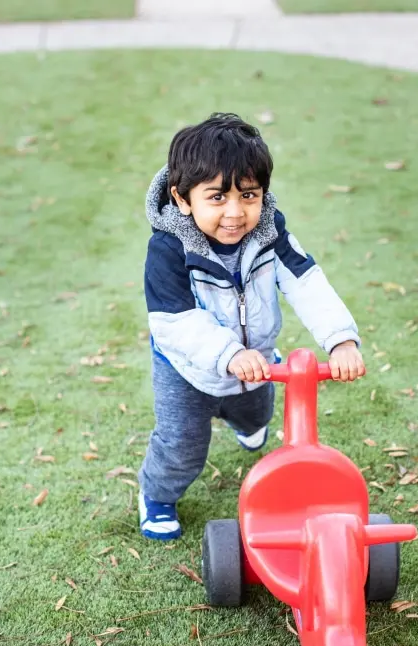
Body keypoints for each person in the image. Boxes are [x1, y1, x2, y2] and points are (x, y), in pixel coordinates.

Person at [137, 113, 365, 540]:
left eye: (248, 195)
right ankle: (157, 494)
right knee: (182, 445)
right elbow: (175, 322)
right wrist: (228, 354)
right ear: (183, 199)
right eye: (217, 197)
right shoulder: (168, 248)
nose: (235, 212)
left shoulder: (268, 232)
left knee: (255, 413)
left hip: (256, 358)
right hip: (188, 369)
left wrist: (341, 340)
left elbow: (306, 282)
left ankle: (244, 421)